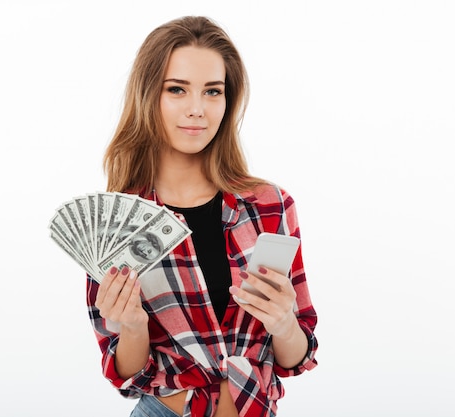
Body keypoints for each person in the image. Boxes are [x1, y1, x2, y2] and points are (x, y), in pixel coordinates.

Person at [86, 16, 318, 417]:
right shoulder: (117, 220)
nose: (197, 109)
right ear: (148, 96)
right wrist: (133, 325)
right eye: (177, 89)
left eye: (212, 91)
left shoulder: (270, 206)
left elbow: (295, 357)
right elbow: (125, 373)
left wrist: (283, 323)